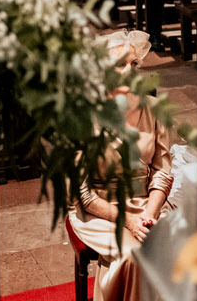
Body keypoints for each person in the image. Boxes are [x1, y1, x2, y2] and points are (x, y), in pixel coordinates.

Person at [67, 30, 175, 301]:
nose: (130, 71)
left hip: (146, 206)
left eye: (134, 64)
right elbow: (83, 195)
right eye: (120, 65)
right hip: (100, 212)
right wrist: (129, 221)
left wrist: (148, 217)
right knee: (132, 257)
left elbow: (163, 171)